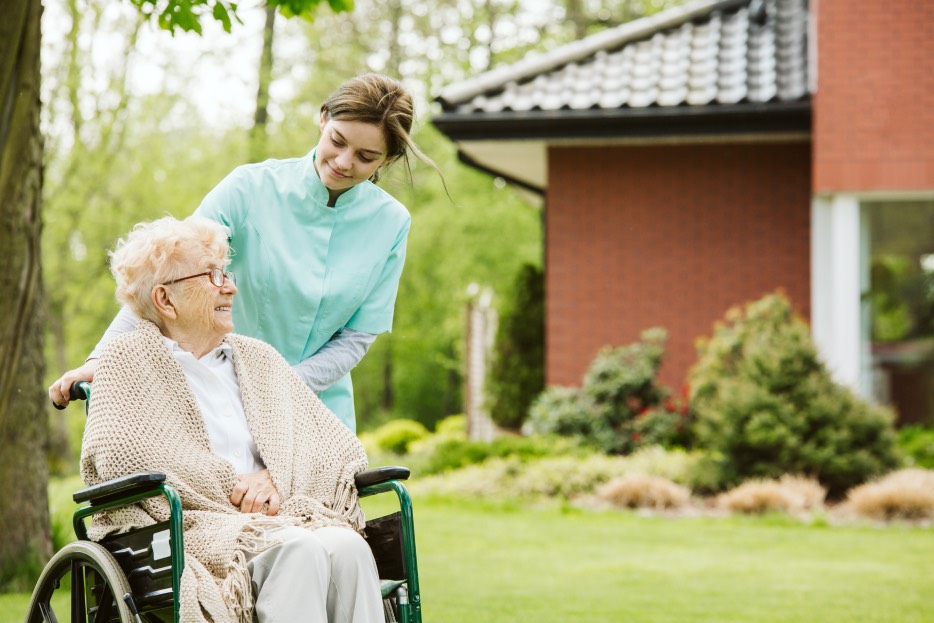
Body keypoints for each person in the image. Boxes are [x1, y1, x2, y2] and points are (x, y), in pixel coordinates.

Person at [50, 73, 442, 431]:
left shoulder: (392, 223)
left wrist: (280, 388)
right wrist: (100, 360)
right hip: (220, 398)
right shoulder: (248, 189)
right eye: (337, 141)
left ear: (387, 159)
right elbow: (162, 280)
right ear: (323, 119)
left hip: (318, 411)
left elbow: (355, 337)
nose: (343, 162)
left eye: (365, 157)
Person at [80, 215, 383, 623]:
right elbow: (118, 456)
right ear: (166, 300)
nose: (231, 286)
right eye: (213, 276)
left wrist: (275, 476)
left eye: (227, 272)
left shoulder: (259, 359)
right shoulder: (127, 360)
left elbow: (335, 446)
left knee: (348, 548)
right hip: (192, 528)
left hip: (282, 513)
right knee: (297, 549)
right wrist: (230, 487)